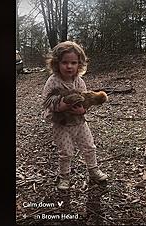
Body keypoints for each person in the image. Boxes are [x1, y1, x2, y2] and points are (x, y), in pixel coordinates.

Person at [41, 41, 108, 190]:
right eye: (65, 62)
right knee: (65, 152)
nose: (69, 66)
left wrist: (82, 111)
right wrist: (60, 106)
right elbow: (46, 100)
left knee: (90, 146)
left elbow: (86, 100)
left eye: (73, 62)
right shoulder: (53, 81)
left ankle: (93, 170)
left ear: (79, 64)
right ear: (56, 63)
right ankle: (64, 176)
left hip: (79, 122)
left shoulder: (80, 82)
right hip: (61, 124)